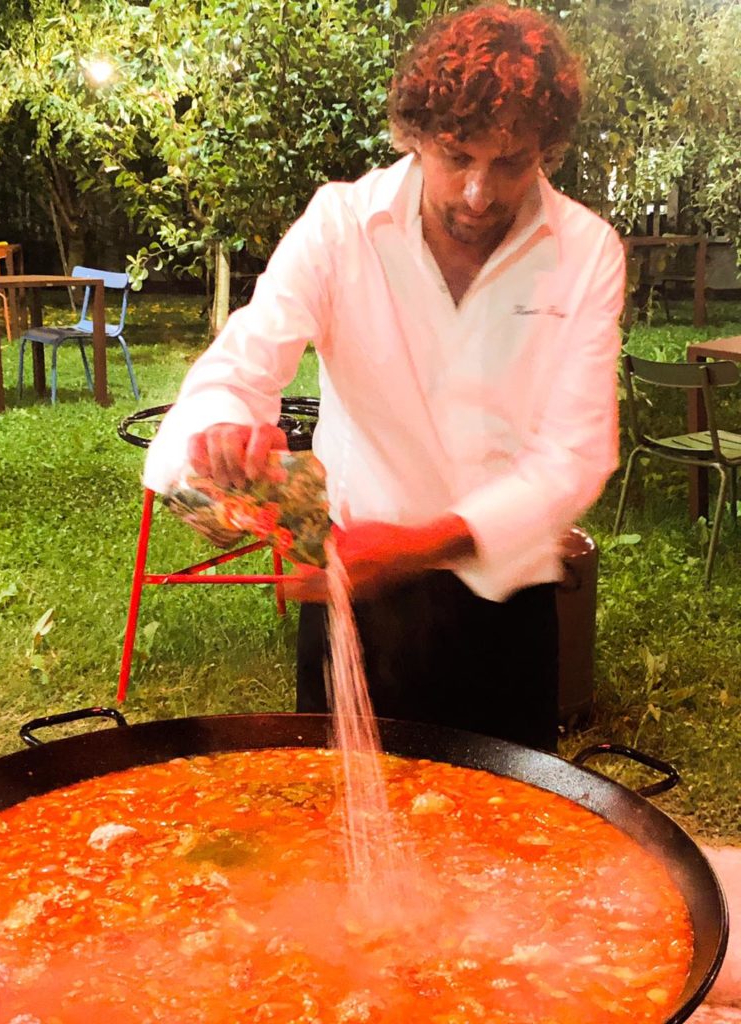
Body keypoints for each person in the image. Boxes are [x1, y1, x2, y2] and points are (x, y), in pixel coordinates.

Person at [144, 3, 625, 753]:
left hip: (504, 611)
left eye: (511, 163)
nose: (478, 193)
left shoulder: (587, 252)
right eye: (457, 155)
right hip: (350, 596)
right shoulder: (342, 225)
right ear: (415, 135)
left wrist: (414, 545)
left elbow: (575, 454)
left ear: (548, 150)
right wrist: (223, 433)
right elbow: (243, 359)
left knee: (508, 857)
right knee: (333, 843)